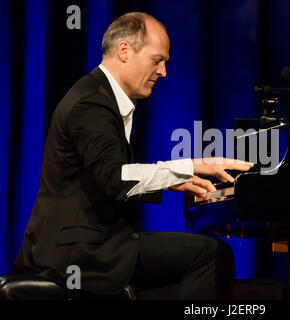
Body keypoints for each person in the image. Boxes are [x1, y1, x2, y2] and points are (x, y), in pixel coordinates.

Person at [13, 12, 253, 299]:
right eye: (157, 60)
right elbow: (117, 179)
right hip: (79, 254)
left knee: (192, 258)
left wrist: (174, 181)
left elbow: (108, 178)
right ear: (124, 50)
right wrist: (191, 166)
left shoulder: (100, 98)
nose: (163, 71)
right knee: (210, 254)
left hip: (95, 246)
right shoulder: (90, 103)